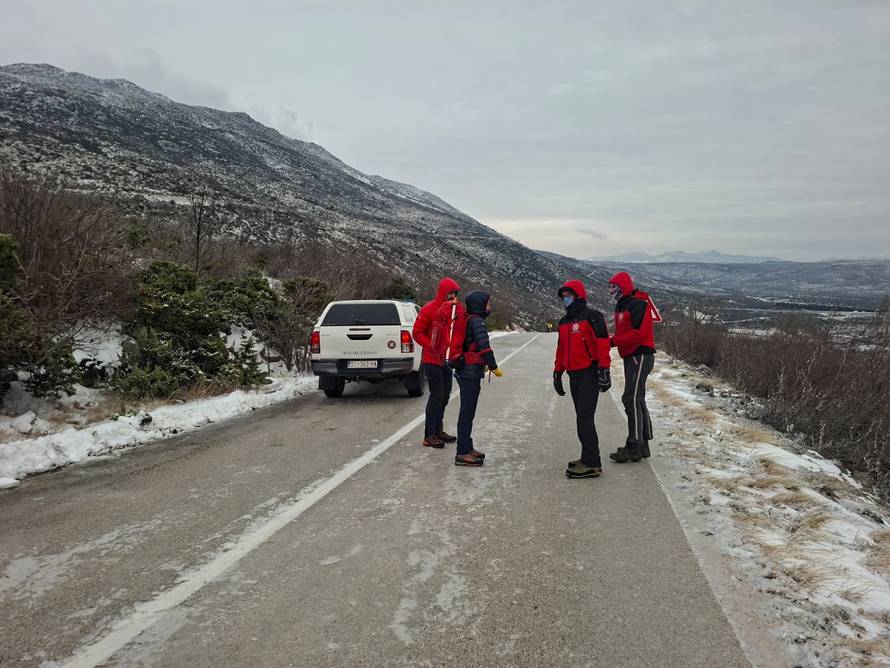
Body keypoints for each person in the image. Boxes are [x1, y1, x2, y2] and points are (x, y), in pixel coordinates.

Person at [553, 280, 612, 479]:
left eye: (569, 295)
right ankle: (587, 457)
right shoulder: (564, 322)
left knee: (585, 419)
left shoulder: (592, 317)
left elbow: (603, 344)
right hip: (573, 375)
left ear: (578, 295)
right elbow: (561, 349)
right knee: (581, 417)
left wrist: (604, 370)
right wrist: (557, 372)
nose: (565, 299)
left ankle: (593, 462)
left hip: (589, 373)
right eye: (563, 296)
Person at [608, 271, 656, 463]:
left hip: (640, 355)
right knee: (637, 398)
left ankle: (633, 446)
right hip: (632, 355)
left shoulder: (637, 304)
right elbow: (626, 332)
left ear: (622, 287)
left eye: (613, 287)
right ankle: (643, 444)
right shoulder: (623, 304)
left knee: (631, 398)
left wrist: (613, 342)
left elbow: (639, 334)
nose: (611, 290)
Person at [453, 290, 502, 466]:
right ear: (479, 304)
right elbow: (484, 347)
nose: (489, 307)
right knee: (467, 412)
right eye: (487, 303)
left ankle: (467, 446)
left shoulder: (469, 319)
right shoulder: (477, 321)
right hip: (469, 372)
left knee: (468, 411)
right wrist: (494, 367)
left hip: (465, 370)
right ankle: (462, 452)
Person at [412, 277, 461, 448]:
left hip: (446, 360)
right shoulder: (429, 309)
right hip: (432, 359)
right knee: (437, 395)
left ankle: (438, 429)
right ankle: (429, 434)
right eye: (450, 293)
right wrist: (430, 346)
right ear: (443, 293)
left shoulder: (454, 311)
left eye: (455, 294)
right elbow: (417, 332)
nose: (453, 296)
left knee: (445, 395)